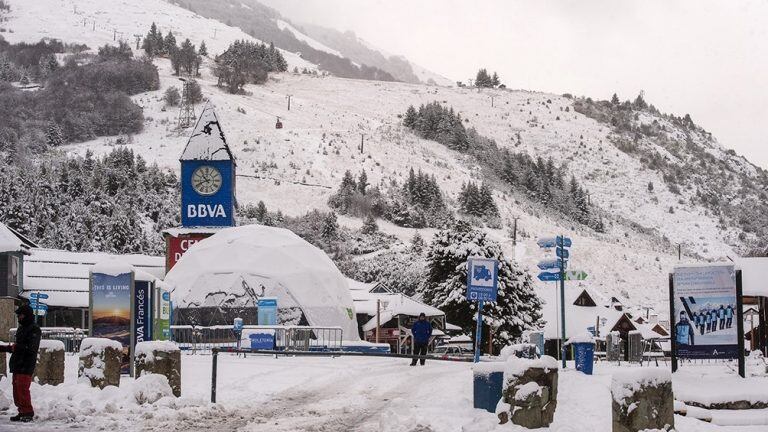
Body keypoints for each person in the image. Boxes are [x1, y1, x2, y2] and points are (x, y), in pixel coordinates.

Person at [0, 304, 41, 422]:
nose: (19, 317)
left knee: (22, 389)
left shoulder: (34, 329)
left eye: (21, 315)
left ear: (26, 315)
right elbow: (16, 347)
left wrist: (15, 348)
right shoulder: (22, 328)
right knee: (16, 390)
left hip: (26, 364)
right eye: (18, 315)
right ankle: (21, 411)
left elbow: (31, 348)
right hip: (17, 363)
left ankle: (28, 412)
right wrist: (4, 348)